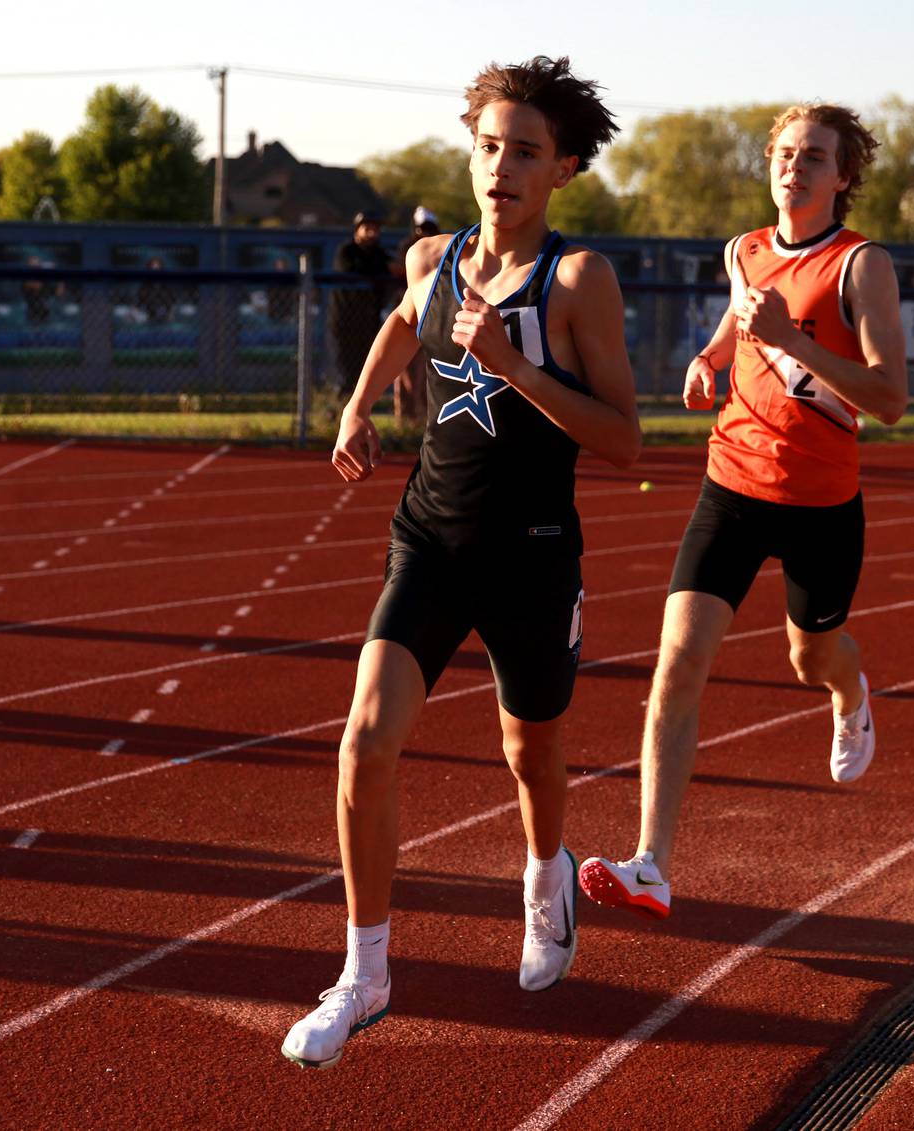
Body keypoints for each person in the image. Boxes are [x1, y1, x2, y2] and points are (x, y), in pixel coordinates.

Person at [282, 55, 639, 1069]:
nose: (502, 167)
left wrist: (514, 368)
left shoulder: (577, 280)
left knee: (529, 754)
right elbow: (403, 326)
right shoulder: (431, 260)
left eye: (526, 151)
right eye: (488, 147)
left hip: (531, 559)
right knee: (362, 744)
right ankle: (365, 973)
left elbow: (625, 440)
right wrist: (356, 407)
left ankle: (544, 875)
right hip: (429, 539)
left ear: (563, 167)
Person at [578, 103, 908, 922]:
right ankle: (652, 861)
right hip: (731, 483)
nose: (794, 166)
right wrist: (708, 356)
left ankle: (848, 690)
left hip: (821, 502)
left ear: (842, 177)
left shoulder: (860, 266)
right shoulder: (745, 249)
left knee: (810, 654)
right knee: (678, 661)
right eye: (785, 153)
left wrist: (792, 344)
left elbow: (891, 398)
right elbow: (739, 316)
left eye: (814, 156)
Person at [328, 211, 394, 389]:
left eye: (375, 229)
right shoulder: (347, 251)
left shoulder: (379, 254)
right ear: (357, 230)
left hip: (369, 322)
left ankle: (359, 410)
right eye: (367, 228)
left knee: (365, 372)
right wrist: (384, 270)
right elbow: (356, 270)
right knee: (345, 373)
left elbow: (393, 267)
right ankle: (337, 410)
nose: (372, 233)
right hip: (344, 322)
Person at [392, 206, 442, 423]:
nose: (425, 233)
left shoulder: (441, 247)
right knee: (402, 368)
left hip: (431, 315)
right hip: (409, 313)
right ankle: (404, 417)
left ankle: (421, 416)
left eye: (429, 228)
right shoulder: (409, 248)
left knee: (424, 369)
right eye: (422, 228)